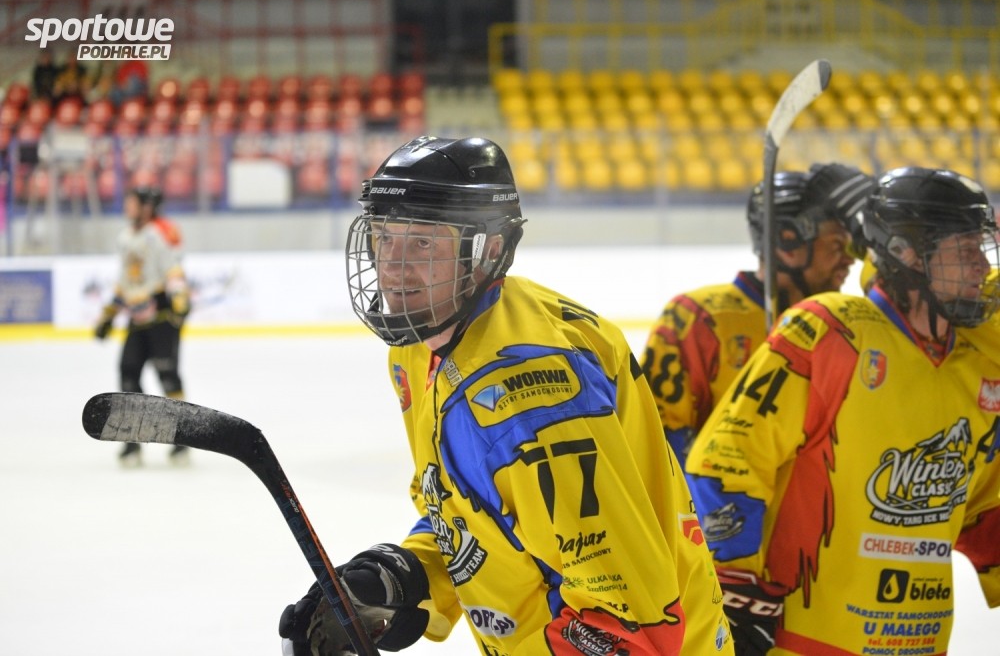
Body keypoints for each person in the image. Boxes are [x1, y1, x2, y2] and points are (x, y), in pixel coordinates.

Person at [278, 136, 735, 655]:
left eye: (423, 243)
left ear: (489, 250)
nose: (393, 268)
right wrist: (402, 577)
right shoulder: (420, 347)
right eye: (384, 238)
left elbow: (629, 621)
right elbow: (474, 513)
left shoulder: (532, 396)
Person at [685, 166, 1000, 655]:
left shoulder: (974, 366)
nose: (982, 266)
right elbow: (726, 462)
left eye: (982, 247)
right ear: (907, 253)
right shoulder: (830, 332)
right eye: (965, 250)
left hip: (924, 640)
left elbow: (982, 505)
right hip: (807, 640)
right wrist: (735, 592)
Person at [640, 163, 874, 466]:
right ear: (788, 240)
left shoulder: (843, 325)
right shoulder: (697, 318)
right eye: (836, 245)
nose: (849, 260)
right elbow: (660, 435)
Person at [94, 186, 190, 467]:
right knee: (128, 374)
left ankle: (183, 438)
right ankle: (132, 442)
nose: (127, 207)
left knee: (167, 375)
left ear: (146, 207)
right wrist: (108, 316)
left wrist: (179, 298)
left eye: (132, 202)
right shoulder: (125, 237)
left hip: (161, 317)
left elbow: (172, 269)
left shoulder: (159, 234)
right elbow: (125, 281)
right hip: (136, 321)